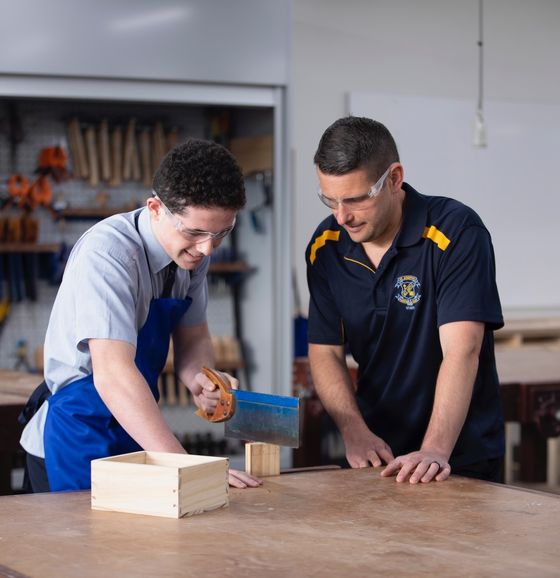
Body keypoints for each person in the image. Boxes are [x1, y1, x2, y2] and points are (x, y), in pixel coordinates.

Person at [19, 138, 262, 492]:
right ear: (155, 208)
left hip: (135, 425)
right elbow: (114, 375)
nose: (207, 248)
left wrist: (203, 380)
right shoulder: (109, 255)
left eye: (221, 232)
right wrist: (188, 467)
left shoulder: (193, 257)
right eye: (194, 232)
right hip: (75, 433)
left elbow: (193, 338)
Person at [306, 116, 504, 484]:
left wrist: (434, 450)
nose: (341, 216)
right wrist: (354, 430)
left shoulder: (455, 232)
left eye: (355, 199)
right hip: (379, 455)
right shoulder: (325, 247)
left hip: (458, 456)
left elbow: (462, 351)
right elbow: (326, 351)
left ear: (394, 179)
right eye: (329, 200)